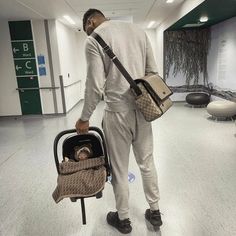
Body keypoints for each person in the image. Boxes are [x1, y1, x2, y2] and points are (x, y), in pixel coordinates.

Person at [75, 8, 162, 234]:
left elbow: (94, 86)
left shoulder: (94, 40)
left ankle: (123, 220)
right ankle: (155, 212)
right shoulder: (139, 31)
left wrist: (84, 118)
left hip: (116, 114)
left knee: (119, 169)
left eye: (86, 29)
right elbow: (152, 71)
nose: (87, 33)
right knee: (147, 163)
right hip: (143, 110)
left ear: (91, 21)